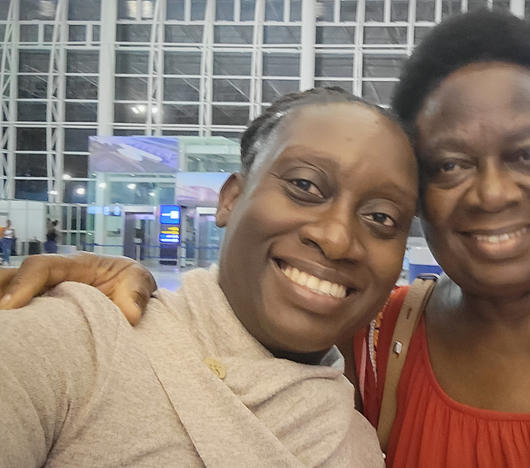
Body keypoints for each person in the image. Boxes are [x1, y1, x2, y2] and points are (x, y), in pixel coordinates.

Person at [4, 10, 530, 467]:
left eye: (529, 154)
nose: (492, 193)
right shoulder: (380, 341)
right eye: (452, 164)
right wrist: (96, 291)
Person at [0, 87, 418, 466]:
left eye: (381, 216)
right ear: (231, 200)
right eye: (305, 186)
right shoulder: (78, 340)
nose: (337, 239)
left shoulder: (357, 445)